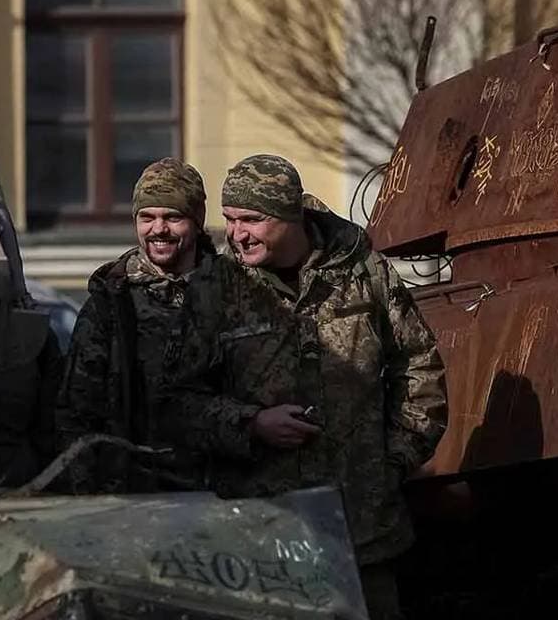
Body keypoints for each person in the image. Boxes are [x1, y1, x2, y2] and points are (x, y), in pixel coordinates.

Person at [164, 154, 447, 620]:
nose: (237, 234)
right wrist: (250, 423)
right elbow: (176, 402)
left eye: (252, 219)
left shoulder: (364, 274)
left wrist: (392, 461)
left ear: (290, 216)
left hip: (362, 531)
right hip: (262, 536)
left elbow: (419, 368)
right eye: (231, 220)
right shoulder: (215, 289)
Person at [54, 157, 219, 492]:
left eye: (173, 217)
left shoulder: (231, 293)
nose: (158, 229)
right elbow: (76, 412)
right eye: (147, 217)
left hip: (214, 489)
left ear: (198, 219)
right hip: (131, 493)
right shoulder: (111, 302)